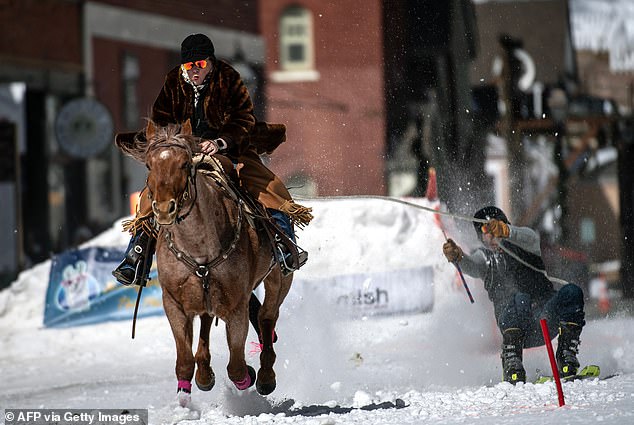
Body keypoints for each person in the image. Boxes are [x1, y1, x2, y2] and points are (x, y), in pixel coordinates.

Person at [112, 33, 312, 287]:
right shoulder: (173, 81)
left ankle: (284, 244)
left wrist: (218, 143)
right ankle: (137, 255)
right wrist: (173, 144)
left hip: (230, 149)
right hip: (184, 150)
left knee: (269, 186)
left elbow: (243, 120)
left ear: (211, 63)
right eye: (189, 66)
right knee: (154, 192)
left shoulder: (229, 79)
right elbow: (163, 121)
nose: (195, 71)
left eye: (201, 65)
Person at [442, 206, 586, 384]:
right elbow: (472, 264)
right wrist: (459, 258)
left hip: (546, 318)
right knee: (520, 298)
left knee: (572, 291)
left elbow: (531, 237)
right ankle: (512, 362)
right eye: (486, 231)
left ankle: (566, 356)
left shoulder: (525, 245)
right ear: (481, 237)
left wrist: (507, 231)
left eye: (496, 228)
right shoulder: (486, 258)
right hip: (516, 327)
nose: (492, 235)